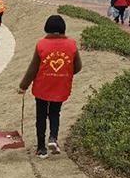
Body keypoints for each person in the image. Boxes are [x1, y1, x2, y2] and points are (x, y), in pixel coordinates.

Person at [18, 15, 82, 159]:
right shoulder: (71, 44)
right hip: (61, 86)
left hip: (42, 86)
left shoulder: (41, 44)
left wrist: (23, 86)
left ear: (47, 28)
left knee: (41, 115)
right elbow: (78, 66)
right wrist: (63, 73)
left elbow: (33, 68)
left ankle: (41, 149)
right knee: (54, 113)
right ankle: (53, 138)